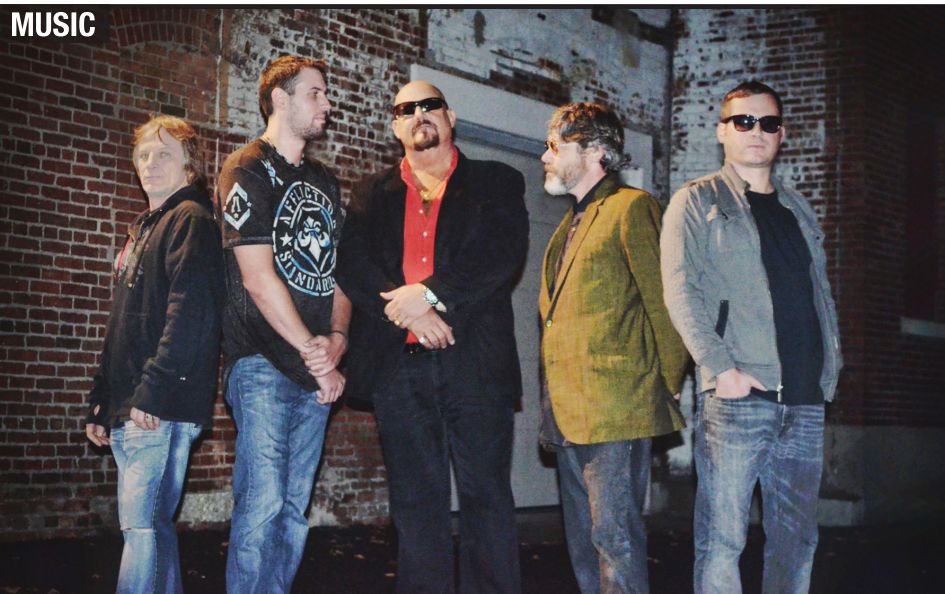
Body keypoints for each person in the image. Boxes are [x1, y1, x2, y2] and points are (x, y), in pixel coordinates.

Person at [336, 80, 529, 594]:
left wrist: (429, 295)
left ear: (450, 117)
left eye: (430, 105)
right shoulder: (370, 193)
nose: (419, 114)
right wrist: (410, 315)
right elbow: (354, 263)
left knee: (486, 497)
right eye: (407, 109)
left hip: (476, 366)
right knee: (416, 504)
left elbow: (500, 253)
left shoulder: (496, 181)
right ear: (395, 126)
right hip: (399, 369)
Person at [660, 80, 843, 594]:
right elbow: (680, 291)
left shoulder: (798, 208)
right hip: (739, 396)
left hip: (804, 398)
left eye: (767, 122)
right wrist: (720, 368)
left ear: (781, 134)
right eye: (743, 121)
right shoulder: (697, 200)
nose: (755, 131)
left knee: (796, 541)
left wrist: (831, 367)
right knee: (723, 542)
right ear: (722, 131)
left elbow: (820, 293)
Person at [538, 102, 689, 594]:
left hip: (616, 408)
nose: (545, 156)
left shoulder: (632, 208)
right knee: (583, 542)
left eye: (554, 146)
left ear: (594, 151)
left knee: (614, 541)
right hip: (567, 410)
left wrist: (662, 386)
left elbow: (665, 305)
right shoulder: (569, 224)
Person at [216, 55, 350, 594]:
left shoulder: (325, 181)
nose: (327, 104)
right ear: (279, 98)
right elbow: (257, 278)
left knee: (294, 510)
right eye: (315, 93)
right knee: (263, 503)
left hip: (314, 371)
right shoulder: (246, 168)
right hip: (263, 364)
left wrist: (337, 340)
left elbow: (341, 277)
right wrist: (315, 356)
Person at [85, 114, 223, 593]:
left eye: (164, 154)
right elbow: (121, 327)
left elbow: (191, 315)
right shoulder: (146, 228)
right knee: (149, 529)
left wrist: (154, 393)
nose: (149, 163)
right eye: (143, 155)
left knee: (141, 528)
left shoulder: (191, 221)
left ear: (190, 166)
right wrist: (102, 400)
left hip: (158, 406)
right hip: (133, 406)